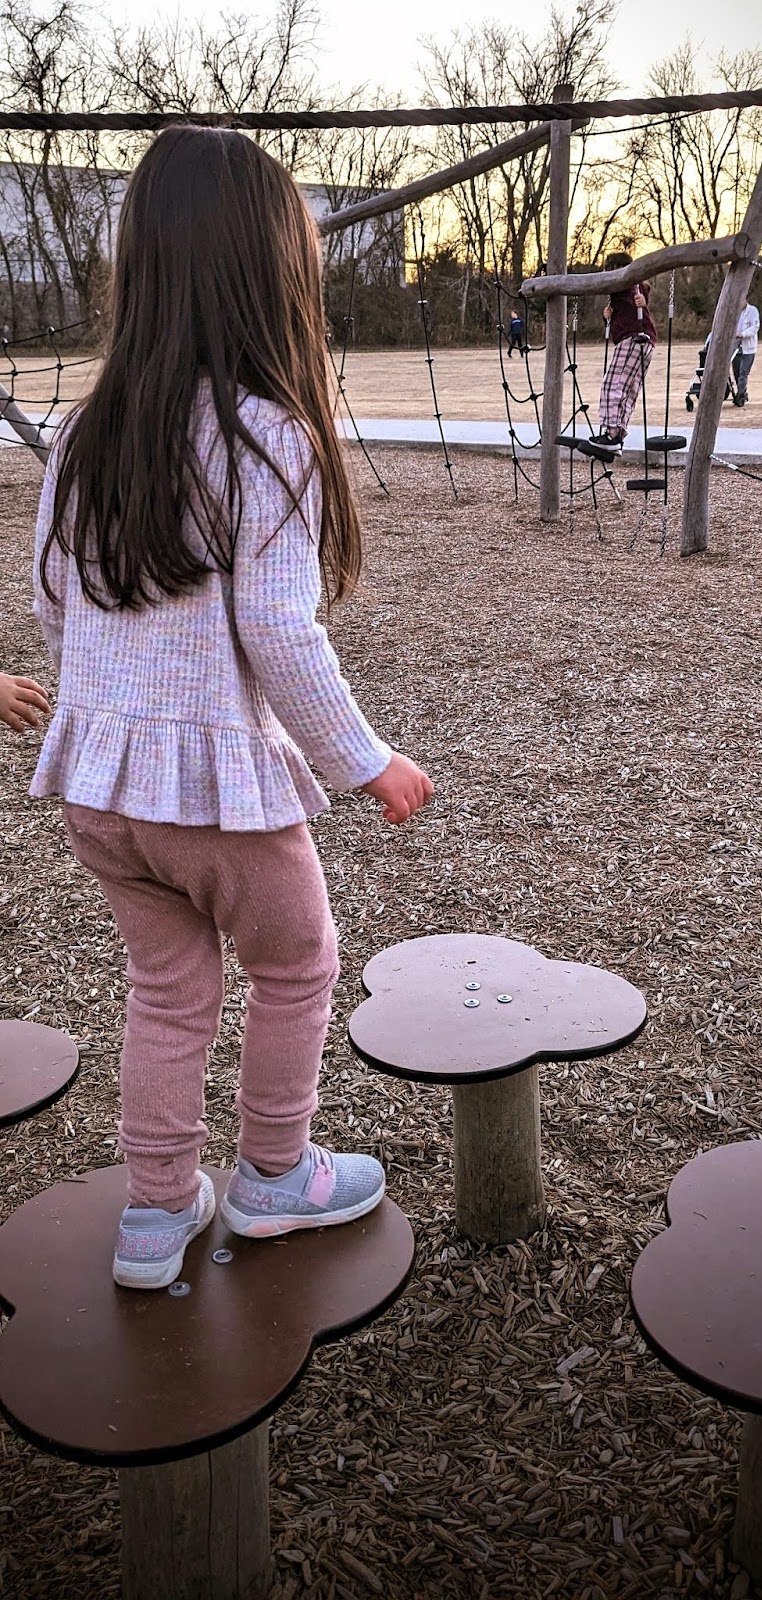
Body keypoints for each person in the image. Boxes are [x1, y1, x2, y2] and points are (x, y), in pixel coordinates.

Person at [31, 126, 434, 1290]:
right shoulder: (270, 434)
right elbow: (281, 632)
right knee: (299, 962)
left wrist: (107, 709)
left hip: (99, 793)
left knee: (167, 992)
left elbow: (52, 598)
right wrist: (365, 759)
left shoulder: (82, 432)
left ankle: (155, 1216)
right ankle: (273, 1176)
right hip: (216, 800)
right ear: (272, 273)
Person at [594, 252, 658, 447]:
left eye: (609, 268)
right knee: (629, 389)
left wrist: (643, 301)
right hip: (645, 342)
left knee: (612, 384)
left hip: (633, 338)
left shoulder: (627, 286)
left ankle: (611, 432)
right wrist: (607, 316)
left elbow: (638, 295)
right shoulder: (628, 290)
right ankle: (618, 434)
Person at [732, 297, 760, 405]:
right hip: (736, 348)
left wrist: (742, 334)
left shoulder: (753, 311)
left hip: (748, 348)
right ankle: (743, 392)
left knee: (743, 373)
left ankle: (740, 397)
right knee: (736, 372)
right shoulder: (734, 311)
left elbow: (754, 327)